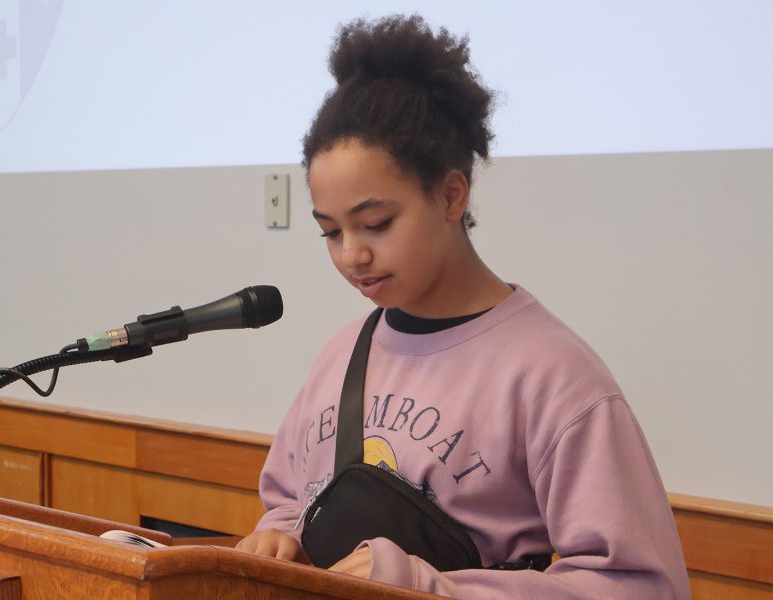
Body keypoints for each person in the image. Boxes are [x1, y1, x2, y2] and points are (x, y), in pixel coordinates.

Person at [236, 15, 690, 599]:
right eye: (330, 232)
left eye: (377, 223)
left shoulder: (553, 375)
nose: (353, 255)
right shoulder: (342, 351)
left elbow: (642, 587)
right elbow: (286, 503)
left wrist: (424, 587)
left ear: (452, 194)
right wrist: (281, 539)